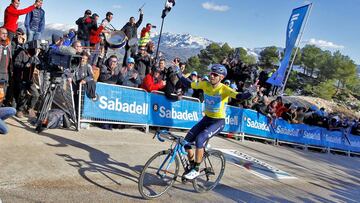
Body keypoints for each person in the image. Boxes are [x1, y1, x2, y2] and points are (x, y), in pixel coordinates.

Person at [176, 64, 255, 179]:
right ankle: (192, 165)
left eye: (215, 75)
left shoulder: (224, 89)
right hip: (206, 119)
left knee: (200, 139)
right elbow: (188, 84)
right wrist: (178, 72)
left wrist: (250, 93)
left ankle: (196, 169)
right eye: (211, 73)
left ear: (221, 77)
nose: (211, 76)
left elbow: (239, 96)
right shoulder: (205, 84)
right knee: (185, 142)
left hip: (218, 122)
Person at [0, 28, 12, 105]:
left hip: (5, 74)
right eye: (3, 33)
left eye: (6, 33)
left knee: (2, 95)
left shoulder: (8, 45)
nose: (5, 35)